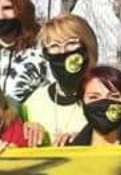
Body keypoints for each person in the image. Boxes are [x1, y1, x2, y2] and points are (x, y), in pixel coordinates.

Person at [22, 14, 98, 146]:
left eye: (71, 43)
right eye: (54, 46)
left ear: (88, 47)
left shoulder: (105, 97)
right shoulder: (34, 101)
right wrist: (23, 131)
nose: (63, 52)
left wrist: (88, 139)